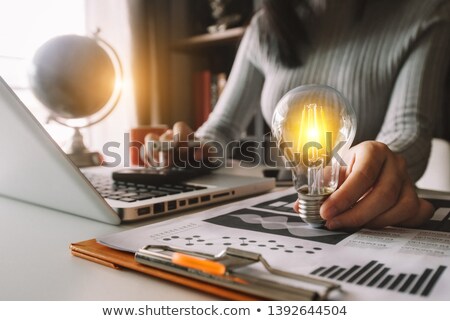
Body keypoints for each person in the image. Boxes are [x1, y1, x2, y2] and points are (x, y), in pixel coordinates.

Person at [148, 0, 450, 230]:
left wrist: (383, 162)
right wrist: (189, 149)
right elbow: (223, 127)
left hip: (367, 209)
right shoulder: (265, 27)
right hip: (280, 209)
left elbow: (408, 127)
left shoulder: (426, 11)